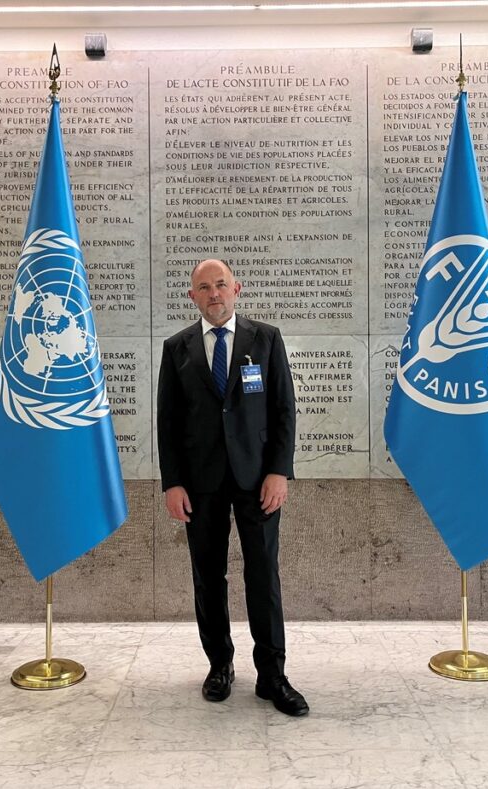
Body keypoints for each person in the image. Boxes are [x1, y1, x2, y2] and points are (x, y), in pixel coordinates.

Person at [156, 258, 309, 717]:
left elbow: (284, 409)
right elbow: (168, 422)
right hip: (199, 485)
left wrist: (279, 471)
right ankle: (220, 665)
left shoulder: (265, 339)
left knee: (263, 574)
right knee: (208, 576)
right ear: (193, 297)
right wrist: (173, 483)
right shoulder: (176, 348)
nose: (214, 294)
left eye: (221, 284)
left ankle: (273, 675)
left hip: (258, 480)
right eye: (204, 288)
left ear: (237, 288)